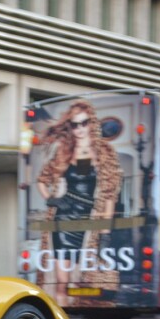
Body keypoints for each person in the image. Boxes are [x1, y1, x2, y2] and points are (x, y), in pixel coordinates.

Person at [36, 100, 122, 302]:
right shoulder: (63, 152)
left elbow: (109, 196)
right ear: (70, 127)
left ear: (92, 123)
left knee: (80, 284)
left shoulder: (105, 153)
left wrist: (105, 234)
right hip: (62, 221)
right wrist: (52, 200)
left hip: (88, 225)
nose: (80, 129)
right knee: (61, 283)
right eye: (75, 125)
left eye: (84, 123)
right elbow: (42, 180)